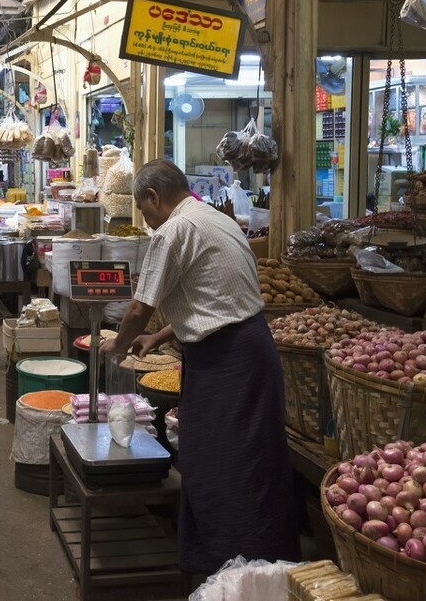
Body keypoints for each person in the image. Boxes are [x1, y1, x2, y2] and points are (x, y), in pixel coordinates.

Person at [100, 160, 299, 579]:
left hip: (228, 361)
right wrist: (161, 337)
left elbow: (138, 308)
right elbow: (213, 295)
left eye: (144, 210)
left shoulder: (173, 230)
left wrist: (117, 344)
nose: (147, 221)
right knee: (255, 456)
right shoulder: (213, 217)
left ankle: (230, 568)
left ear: (153, 198)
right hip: (250, 348)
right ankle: (266, 561)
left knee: (223, 464)